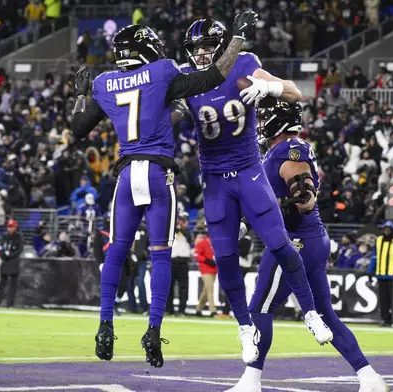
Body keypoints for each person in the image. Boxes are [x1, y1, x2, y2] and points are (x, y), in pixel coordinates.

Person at [69, 12, 259, 368]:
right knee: (159, 254)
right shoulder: (162, 71)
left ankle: (105, 326)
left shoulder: (106, 82)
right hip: (158, 172)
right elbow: (214, 76)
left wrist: (81, 94)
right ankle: (153, 332)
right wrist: (238, 38)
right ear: (146, 48)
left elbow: (79, 127)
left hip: (126, 176)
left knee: (116, 252)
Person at [181, 19, 332, 365]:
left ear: (222, 46)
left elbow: (296, 93)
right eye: (197, 49)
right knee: (226, 257)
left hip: (249, 171)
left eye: (207, 47)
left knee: (279, 242)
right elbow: (168, 114)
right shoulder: (187, 81)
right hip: (215, 179)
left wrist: (270, 90)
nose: (201, 55)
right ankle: (245, 327)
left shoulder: (245, 63)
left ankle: (310, 313)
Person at [228, 101, 388, 392]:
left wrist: (264, 211)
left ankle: (251, 381)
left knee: (260, 307)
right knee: (324, 312)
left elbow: (304, 200)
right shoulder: (284, 149)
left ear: (279, 121)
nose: (261, 124)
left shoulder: (290, 149)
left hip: (295, 240)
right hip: (311, 239)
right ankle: (369, 377)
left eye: (265, 119)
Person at [366, 221, 393, 327]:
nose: (386, 231)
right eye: (385, 229)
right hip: (381, 274)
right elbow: (374, 257)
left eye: (389, 229)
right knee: (383, 300)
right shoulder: (378, 241)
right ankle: (386, 319)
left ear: (392, 230)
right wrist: (370, 272)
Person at [0, 219, 24, 308]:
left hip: (13, 262)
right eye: (9, 227)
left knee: (13, 285)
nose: (10, 229)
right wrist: (4, 255)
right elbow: (0, 248)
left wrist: (11, 254)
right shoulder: (4, 237)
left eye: (12, 227)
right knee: (2, 284)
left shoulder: (19, 237)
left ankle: (10, 304)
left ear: (15, 227)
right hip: (5, 262)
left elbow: (20, 249)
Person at [167, 211, 191, 316]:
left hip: (183, 262)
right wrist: (176, 227)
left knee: (183, 287)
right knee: (169, 287)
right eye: (180, 220)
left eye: (183, 220)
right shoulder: (173, 231)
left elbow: (189, 238)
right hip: (172, 261)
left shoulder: (188, 232)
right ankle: (169, 309)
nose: (181, 222)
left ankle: (182, 310)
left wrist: (182, 228)